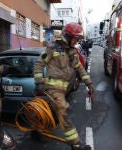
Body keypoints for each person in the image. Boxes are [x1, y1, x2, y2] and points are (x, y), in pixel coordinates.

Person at [34, 22, 95, 150]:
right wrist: (38, 82)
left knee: (53, 114)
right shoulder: (52, 47)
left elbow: (80, 69)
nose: (77, 41)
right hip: (53, 90)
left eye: (78, 39)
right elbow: (39, 64)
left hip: (63, 90)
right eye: (75, 38)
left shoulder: (73, 52)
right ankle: (76, 144)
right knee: (64, 112)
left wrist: (89, 83)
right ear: (67, 36)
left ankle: (36, 131)